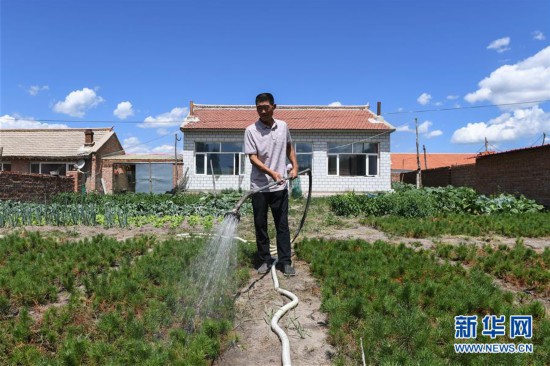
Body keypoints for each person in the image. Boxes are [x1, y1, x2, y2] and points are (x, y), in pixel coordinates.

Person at [244, 93, 299, 276]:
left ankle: (285, 261)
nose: (263, 111)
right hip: (259, 187)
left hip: (279, 186)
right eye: (259, 108)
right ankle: (265, 260)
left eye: (266, 107)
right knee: (260, 224)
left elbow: (289, 147)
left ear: (274, 107)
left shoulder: (283, 127)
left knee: (281, 225)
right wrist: (272, 172)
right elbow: (253, 158)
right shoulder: (251, 130)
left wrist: (295, 167)